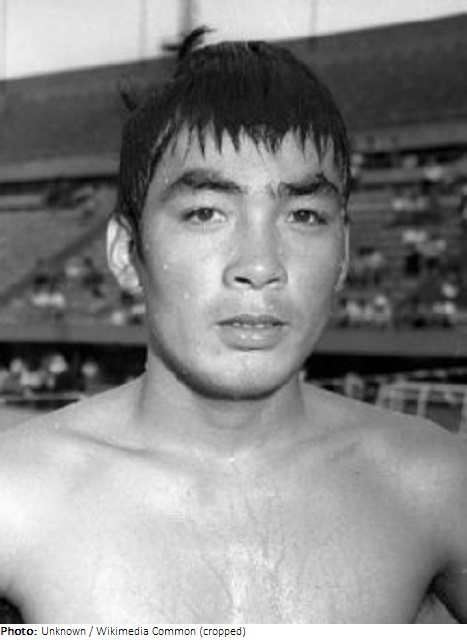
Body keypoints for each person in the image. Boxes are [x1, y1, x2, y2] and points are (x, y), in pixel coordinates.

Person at [0, 29, 466, 624]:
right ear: (125, 252)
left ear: (344, 253)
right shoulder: (16, 499)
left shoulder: (435, 484)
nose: (260, 264)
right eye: (205, 213)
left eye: (304, 215)